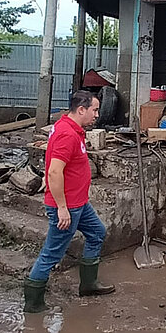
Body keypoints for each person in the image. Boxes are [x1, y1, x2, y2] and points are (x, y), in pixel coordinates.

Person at [23, 90, 115, 313]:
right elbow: (55, 172)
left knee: (97, 233)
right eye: (94, 110)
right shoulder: (67, 134)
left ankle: (88, 284)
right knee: (51, 253)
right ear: (81, 109)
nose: (97, 115)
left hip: (79, 203)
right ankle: (33, 304)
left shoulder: (72, 129)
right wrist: (62, 208)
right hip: (67, 207)